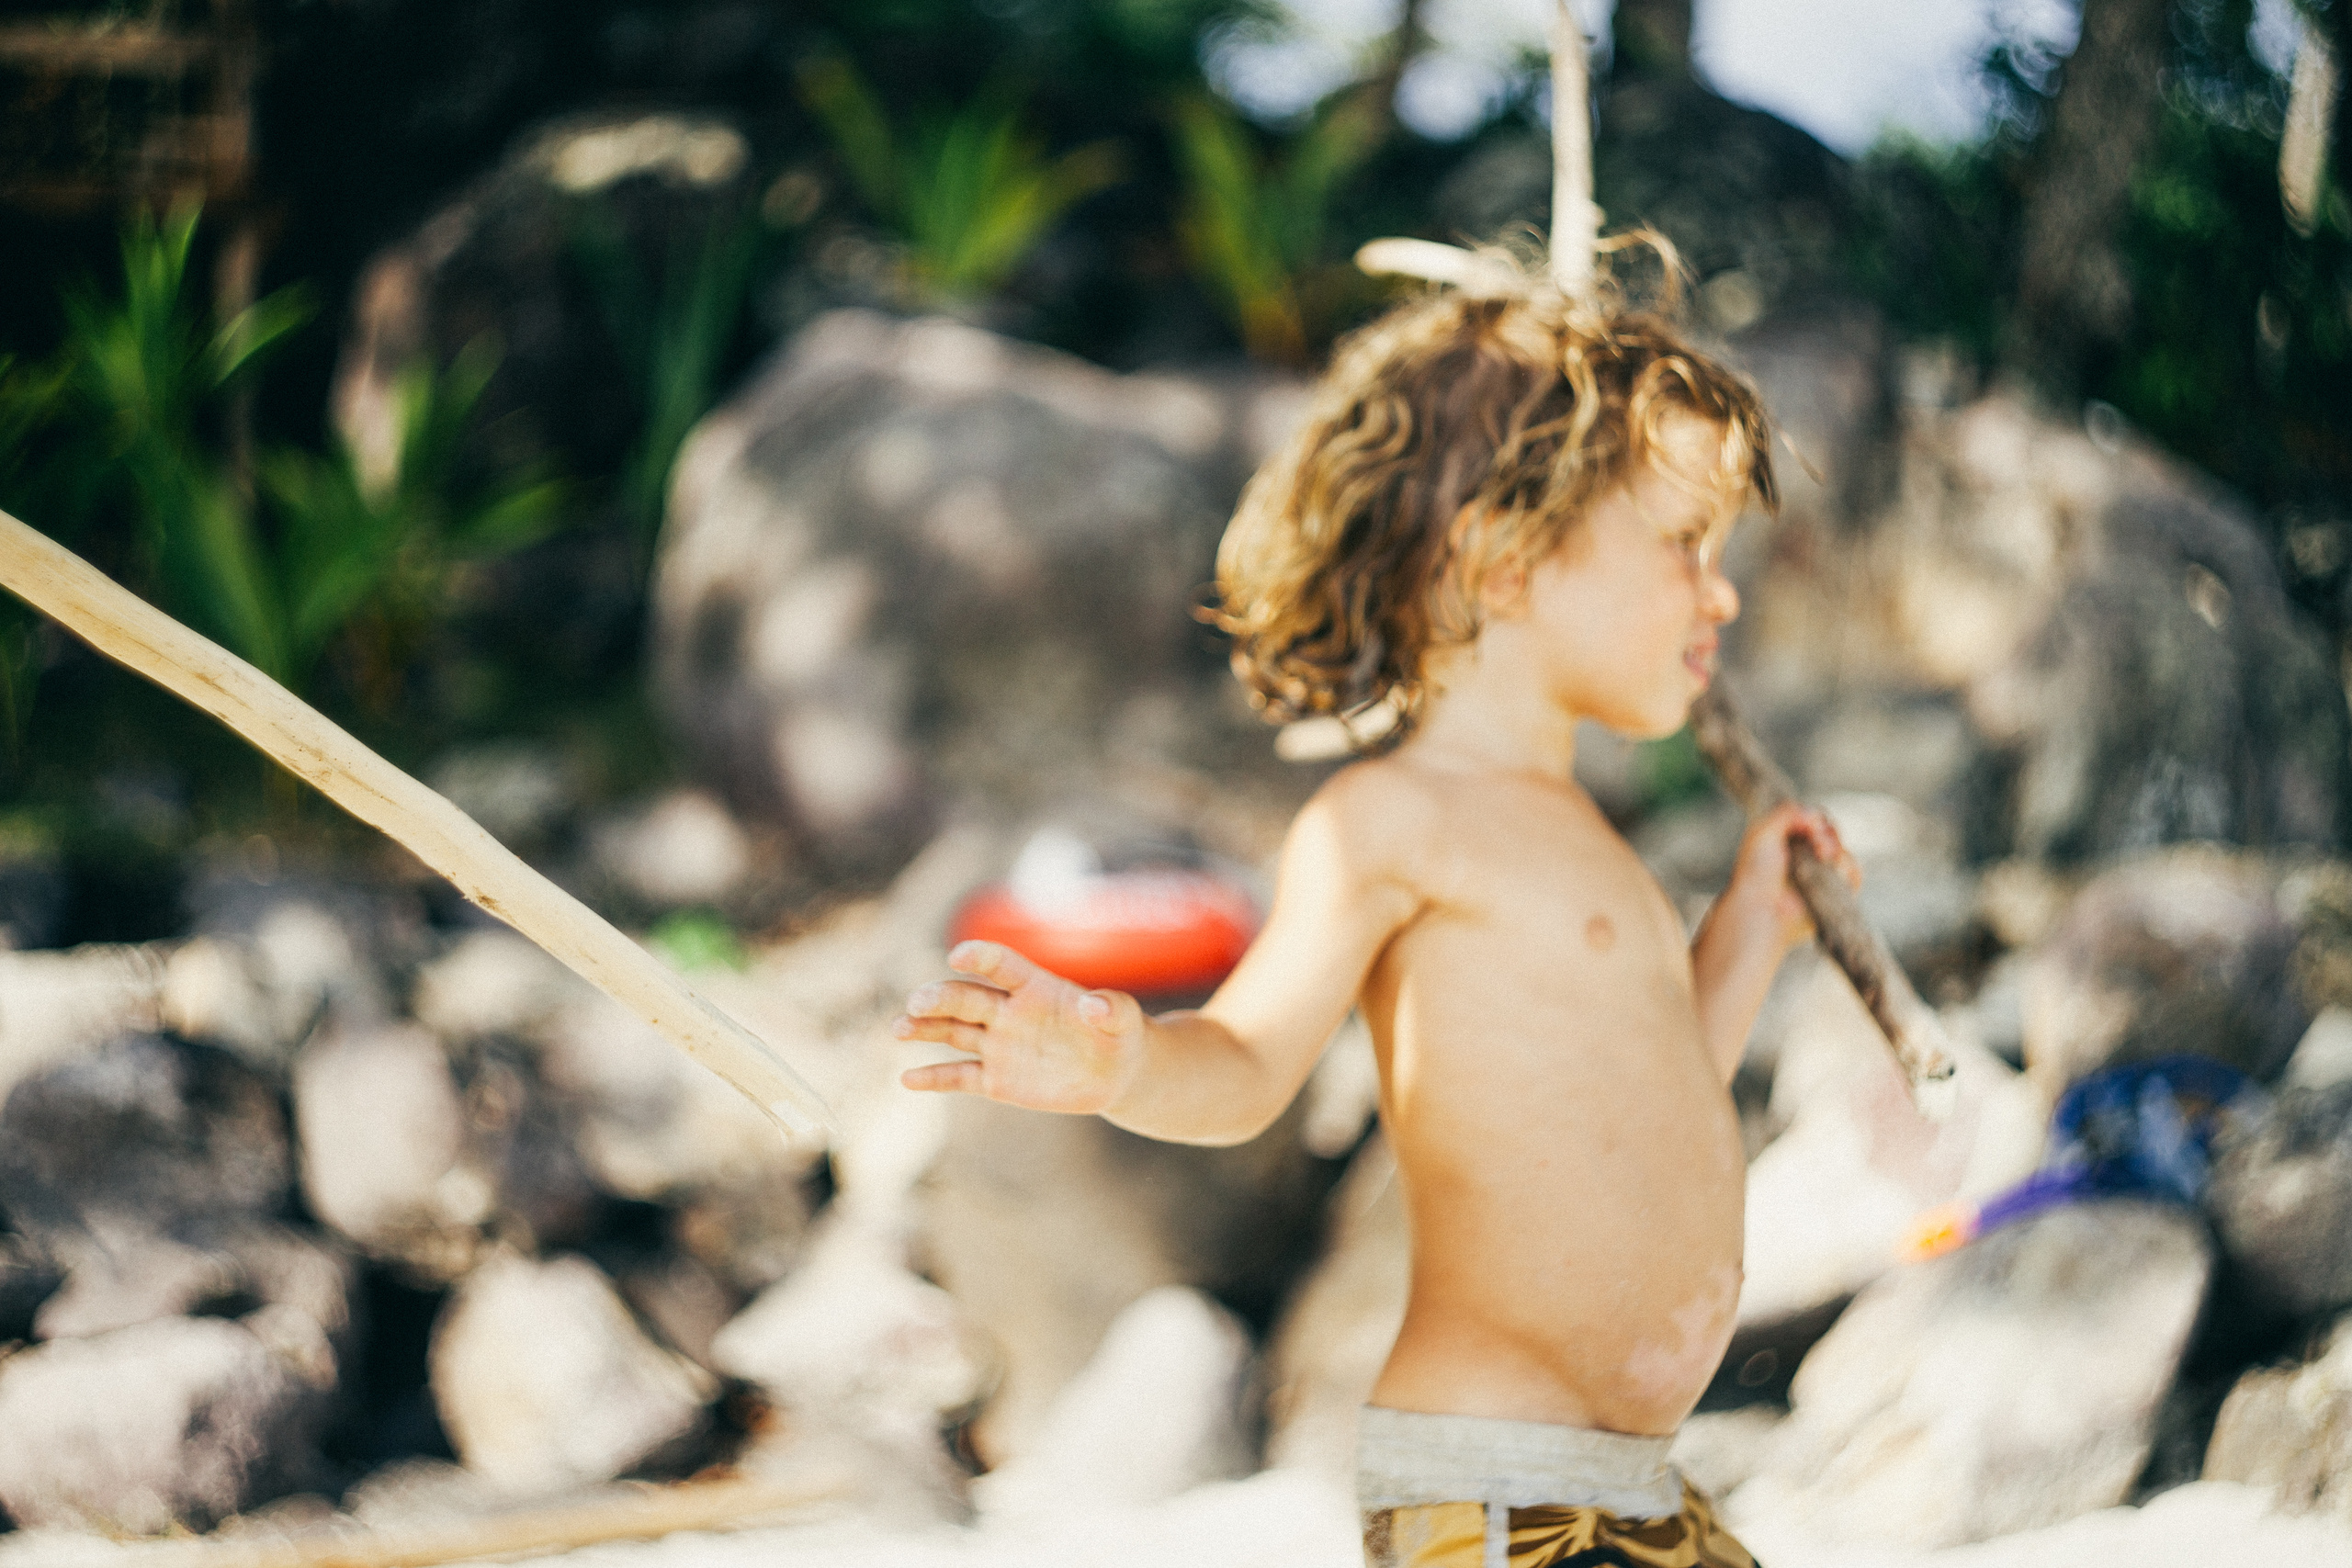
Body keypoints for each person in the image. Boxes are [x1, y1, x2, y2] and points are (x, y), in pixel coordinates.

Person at [891, 279, 1854, 1568]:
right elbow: (1244, 1066)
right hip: (1500, 1501)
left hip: (1637, 1489)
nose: (1718, 595)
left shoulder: (1587, 840)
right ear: (1504, 557)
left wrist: (1749, 928)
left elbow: (1658, 1101)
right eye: (1683, 542)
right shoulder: (1394, 822)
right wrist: (1121, 1055)